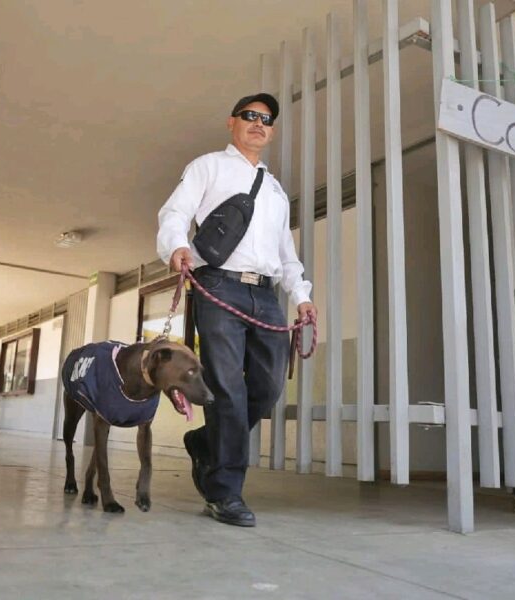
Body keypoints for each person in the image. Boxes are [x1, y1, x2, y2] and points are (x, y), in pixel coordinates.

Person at [157, 93, 316, 527]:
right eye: (250, 116)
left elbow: (287, 253)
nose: (258, 124)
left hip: (266, 296)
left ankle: (206, 443)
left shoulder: (277, 190)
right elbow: (175, 212)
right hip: (218, 288)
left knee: (265, 389)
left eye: (266, 120)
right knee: (228, 389)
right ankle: (223, 492)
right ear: (232, 123)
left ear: (272, 131)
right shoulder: (208, 166)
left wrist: (300, 294)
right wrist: (177, 246)